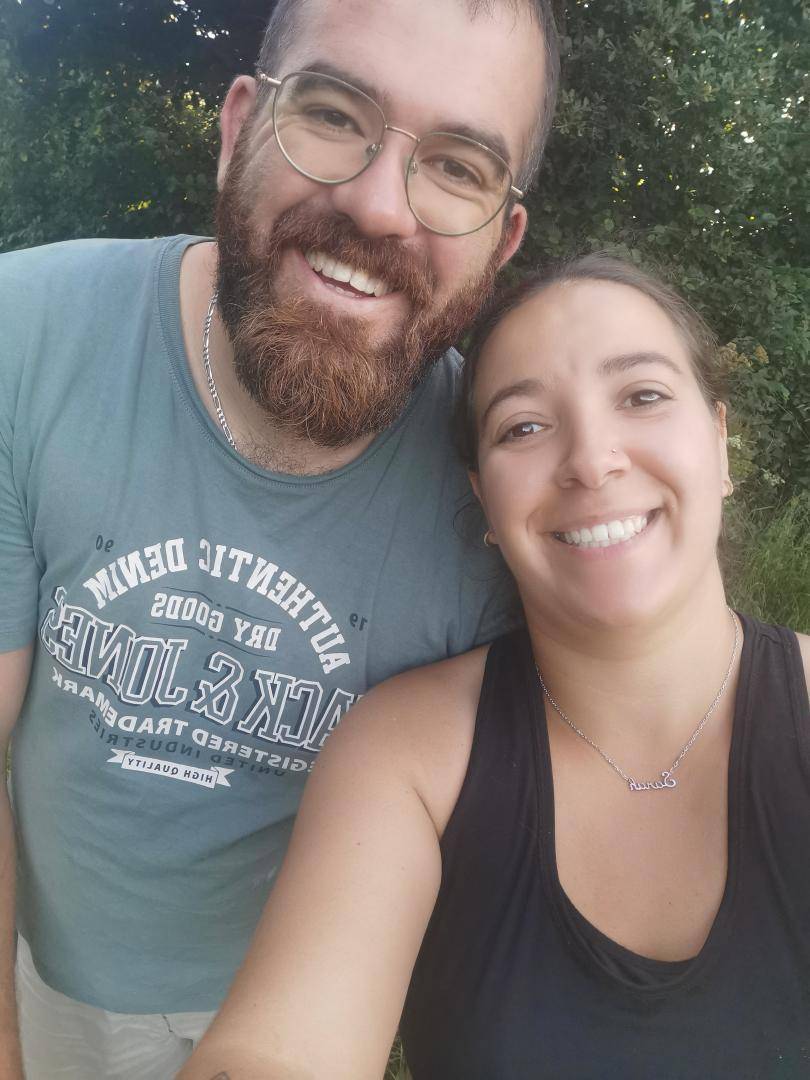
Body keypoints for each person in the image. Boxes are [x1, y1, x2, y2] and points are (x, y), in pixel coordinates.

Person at [0, 0, 560, 1075]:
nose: (379, 206)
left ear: (502, 239)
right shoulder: (24, 340)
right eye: (336, 114)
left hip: (317, 994)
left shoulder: (503, 497)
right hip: (40, 975)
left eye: (457, 167)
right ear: (239, 126)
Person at [178, 254, 810, 1080]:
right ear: (484, 497)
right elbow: (275, 1051)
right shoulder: (407, 756)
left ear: (720, 444)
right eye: (524, 427)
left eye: (643, 396)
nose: (592, 460)